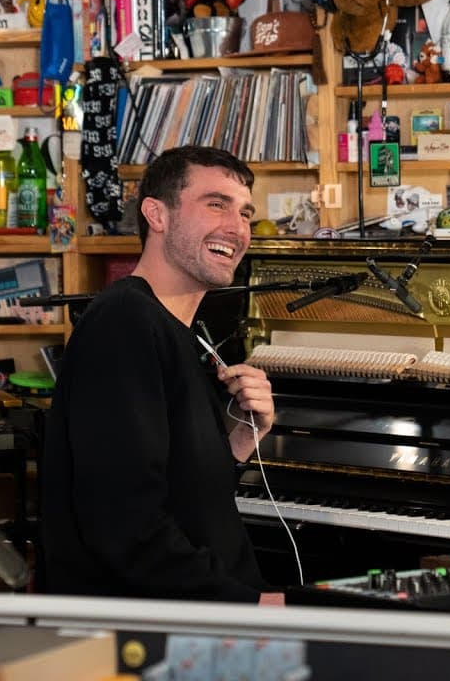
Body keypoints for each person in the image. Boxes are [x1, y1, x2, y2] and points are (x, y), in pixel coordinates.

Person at [40, 145, 280, 604]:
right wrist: (256, 606)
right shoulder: (125, 322)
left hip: (210, 610)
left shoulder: (177, 331)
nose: (238, 227)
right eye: (216, 204)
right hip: (165, 632)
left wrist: (236, 444)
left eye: (245, 213)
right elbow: (125, 527)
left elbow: (183, 502)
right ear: (157, 214)